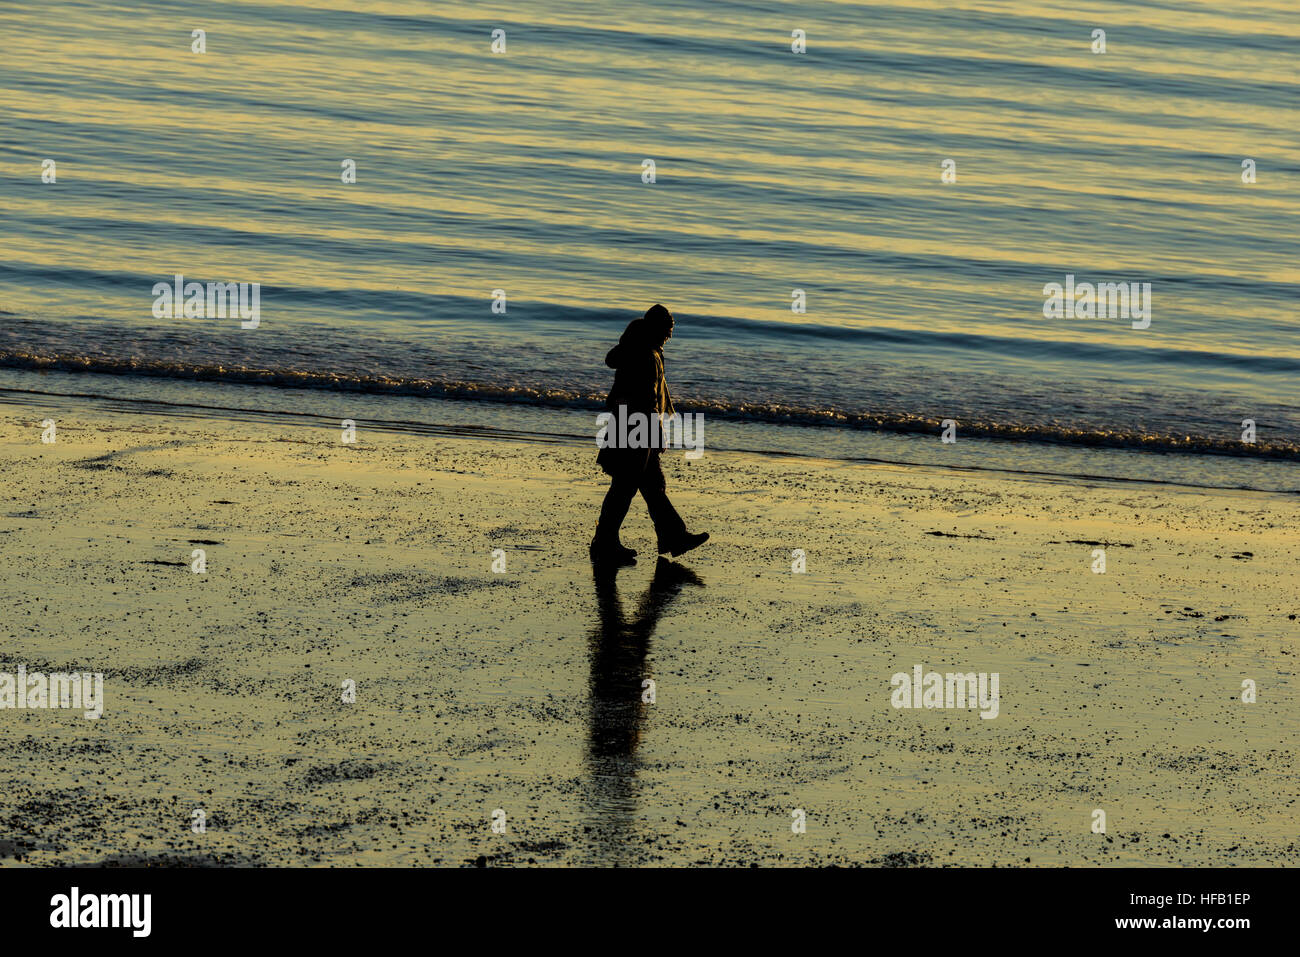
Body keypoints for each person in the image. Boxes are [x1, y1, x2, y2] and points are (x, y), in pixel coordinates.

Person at [591, 304, 709, 565]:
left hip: (637, 422)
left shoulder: (648, 348)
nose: (669, 335)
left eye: (671, 330)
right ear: (656, 327)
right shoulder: (642, 351)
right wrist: (655, 431)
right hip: (635, 424)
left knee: (651, 485)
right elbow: (645, 399)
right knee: (625, 486)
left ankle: (672, 536)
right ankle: (605, 542)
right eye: (667, 330)